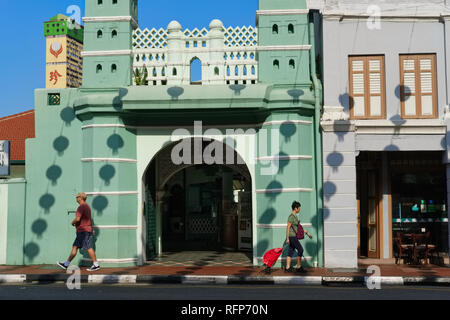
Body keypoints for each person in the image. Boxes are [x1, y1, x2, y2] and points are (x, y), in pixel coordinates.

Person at [57, 192, 100, 272]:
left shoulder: (81, 207)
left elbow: (77, 219)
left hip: (83, 231)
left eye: (77, 197)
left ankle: (96, 264)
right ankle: (66, 264)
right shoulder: (87, 206)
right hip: (82, 231)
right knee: (75, 247)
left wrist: (72, 222)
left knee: (88, 247)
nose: (76, 198)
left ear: (81, 198)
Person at [285, 201, 312, 273]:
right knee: (300, 250)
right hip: (292, 236)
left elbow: (299, 227)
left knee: (290, 251)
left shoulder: (295, 217)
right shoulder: (291, 217)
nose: (299, 209)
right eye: (299, 208)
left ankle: (287, 268)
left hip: (293, 236)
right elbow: (288, 227)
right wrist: (287, 238)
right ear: (295, 208)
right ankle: (299, 267)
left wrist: (307, 233)